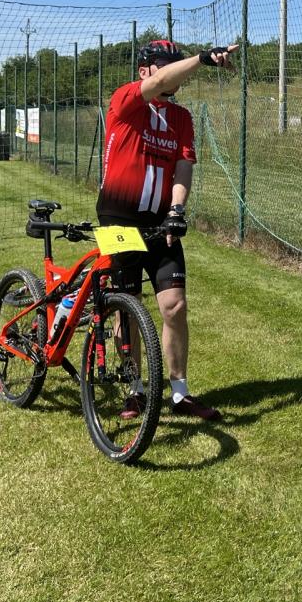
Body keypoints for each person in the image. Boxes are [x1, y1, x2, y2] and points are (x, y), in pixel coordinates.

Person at [96, 38, 236, 422]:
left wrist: (177, 209)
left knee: (175, 305)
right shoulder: (125, 99)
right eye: (164, 64)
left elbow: (183, 167)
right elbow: (159, 84)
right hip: (118, 218)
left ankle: (179, 393)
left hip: (161, 221)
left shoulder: (182, 118)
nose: (173, 73)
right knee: (127, 305)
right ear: (144, 71)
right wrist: (203, 59)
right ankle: (135, 390)